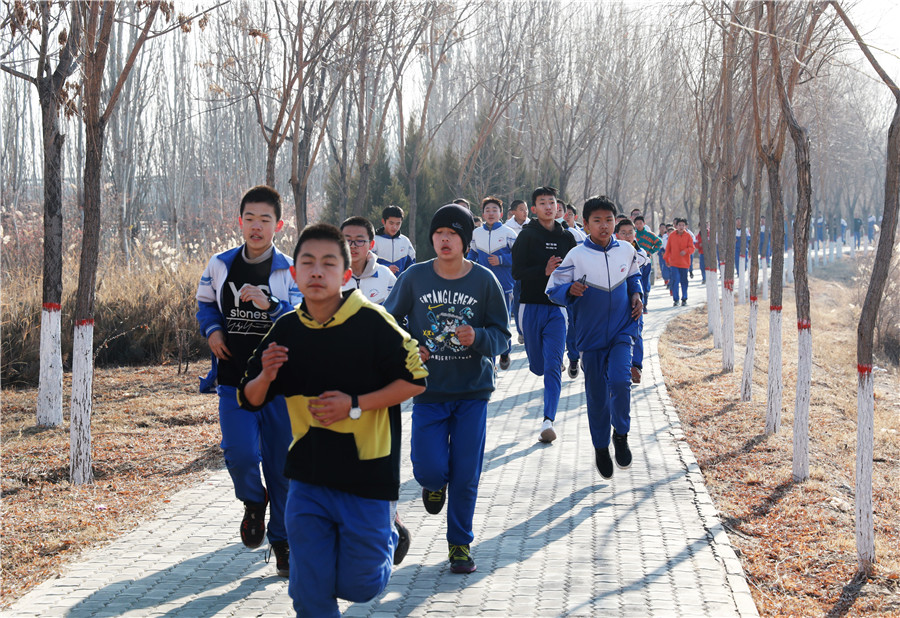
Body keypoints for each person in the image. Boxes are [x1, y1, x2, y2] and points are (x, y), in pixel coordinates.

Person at [238, 223, 427, 617]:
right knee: (309, 590)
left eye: (328, 263)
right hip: (307, 478)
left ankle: (390, 534)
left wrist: (354, 404)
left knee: (360, 586)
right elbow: (249, 398)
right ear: (294, 274)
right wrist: (267, 375)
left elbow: (415, 380)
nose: (317, 272)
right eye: (308, 263)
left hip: (367, 477)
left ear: (345, 274)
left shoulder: (374, 323)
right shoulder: (286, 330)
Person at [385, 204, 510, 575]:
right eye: (439, 233)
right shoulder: (415, 277)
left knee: (466, 473)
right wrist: (410, 346)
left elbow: (502, 336)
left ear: (465, 241)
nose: (444, 239)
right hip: (429, 390)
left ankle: (459, 544)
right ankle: (433, 484)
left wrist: (479, 337)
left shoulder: (485, 280)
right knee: (428, 467)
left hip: (473, 391)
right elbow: (389, 322)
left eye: (452, 234)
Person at [195, 185, 302, 577]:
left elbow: (302, 316)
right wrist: (212, 331)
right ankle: (254, 501)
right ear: (239, 222)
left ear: (279, 225)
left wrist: (269, 304)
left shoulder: (290, 269)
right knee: (239, 454)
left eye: (265, 220)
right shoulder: (220, 264)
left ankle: (282, 541)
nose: (257, 227)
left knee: (282, 467)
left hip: (280, 385)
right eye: (250, 219)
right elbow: (206, 303)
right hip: (233, 379)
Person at [546, 196, 643, 479]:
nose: (604, 226)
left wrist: (637, 294)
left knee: (621, 380)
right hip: (590, 336)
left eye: (609, 220)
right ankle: (601, 446)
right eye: (597, 221)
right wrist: (570, 290)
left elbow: (634, 275)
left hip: (622, 329)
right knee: (598, 396)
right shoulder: (576, 256)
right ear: (586, 224)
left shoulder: (626, 249)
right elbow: (553, 290)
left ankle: (621, 434)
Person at [511, 186, 578, 442]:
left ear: (558, 207)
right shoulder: (527, 236)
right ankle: (549, 363)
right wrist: (544, 270)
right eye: (543, 203)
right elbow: (517, 272)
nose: (549, 207)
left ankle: (548, 420)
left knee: (551, 367)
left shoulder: (568, 238)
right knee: (538, 366)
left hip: (557, 309)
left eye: (552, 202)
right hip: (530, 307)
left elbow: (577, 269)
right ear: (534, 208)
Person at [467, 196, 518, 370]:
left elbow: (519, 256)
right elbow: (472, 254)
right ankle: (491, 362)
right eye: (487, 210)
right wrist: (469, 265)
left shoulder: (509, 233)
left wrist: (501, 259)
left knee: (503, 321)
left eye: (494, 210)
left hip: (505, 286)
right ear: (482, 214)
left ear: (501, 214)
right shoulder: (476, 233)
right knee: (486, 323)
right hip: (482, 286)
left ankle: (505, 351)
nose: (491, 213)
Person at [614, 218, 650, 384]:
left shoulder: (641, 255)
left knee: (637, 331)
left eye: (630, 233)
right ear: (617, 235)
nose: (627, 236)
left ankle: (636, 366)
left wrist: (642, 296)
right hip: (616, 301)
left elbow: (644, 277)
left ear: (635, 234)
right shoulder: (611, 253)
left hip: (636, 300)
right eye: (623, 233)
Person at [340, 216, 397, 305]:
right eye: (347, 240)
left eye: (359, 240)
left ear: (371, 244)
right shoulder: (331, 276)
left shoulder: (385, 275)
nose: (353, 246)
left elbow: (399, 309)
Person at [505, 199, 529, 344]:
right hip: (513, 270)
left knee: (527, 300)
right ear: (513, 212)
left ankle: (528, 330)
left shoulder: (533, 225)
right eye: (521, 209)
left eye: (526, 209)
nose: (525, 212)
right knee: (517, 300)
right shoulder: (507, 228)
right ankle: (521, 332)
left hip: (530, 269)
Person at [374, 205, 416, 276]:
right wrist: (386, 268)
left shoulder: (405, 241)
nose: (395, 227)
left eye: (398, 223)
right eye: (391, 223)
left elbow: (411, 266)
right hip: (379, 282)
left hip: (400, 282)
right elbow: (366, 265)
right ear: (383, 221)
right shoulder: (373, 240)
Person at [633, 215, 661, 312]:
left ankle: (645, 304)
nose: (638, 225)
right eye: (636, 224)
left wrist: (651, 251)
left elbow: (659, 243)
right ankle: (639, 303)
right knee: (638, 282)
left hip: (647, 262)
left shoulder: (650, 235)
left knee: (645, 282)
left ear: (644, 224)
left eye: (640, 223)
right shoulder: (633, 235)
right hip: (635, 262)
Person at [665, 218, 694, 306]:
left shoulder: (688, 236)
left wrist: (685, 251)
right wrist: (666, 259)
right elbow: (668, 248)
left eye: (683, 225)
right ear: (676, 226)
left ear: (685, 226)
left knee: (684, 281)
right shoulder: (672, 235)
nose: (681, 227)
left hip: (684, 263)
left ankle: (684, 298)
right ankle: (676, 299)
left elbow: (692, 248)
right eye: (679, 225)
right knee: (675, 280)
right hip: (674, 263)